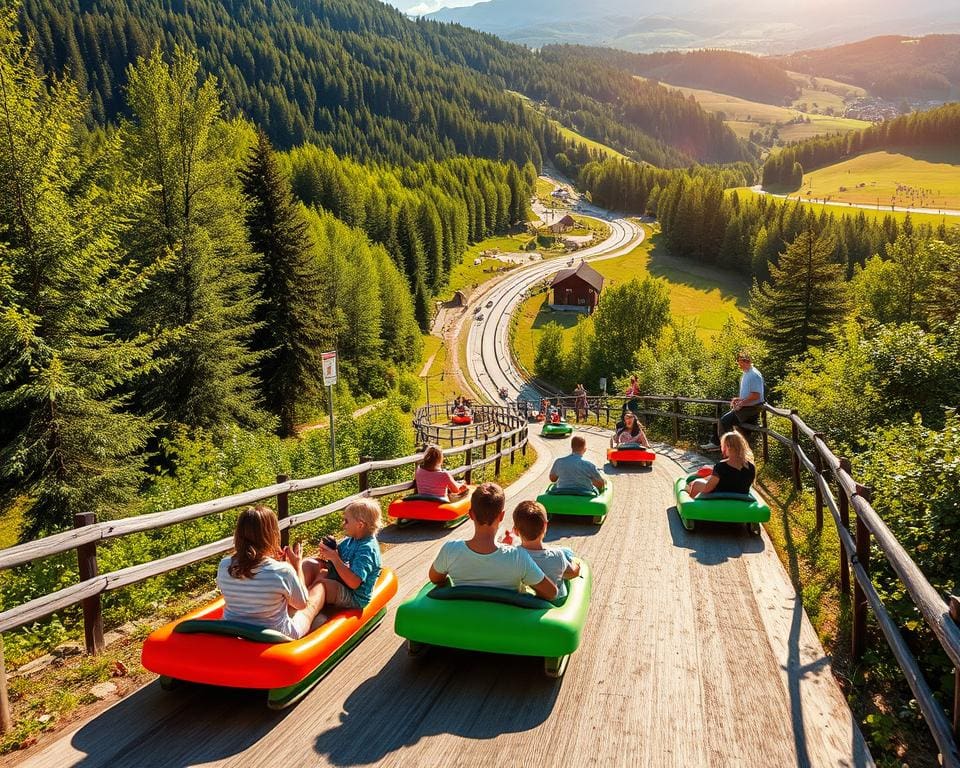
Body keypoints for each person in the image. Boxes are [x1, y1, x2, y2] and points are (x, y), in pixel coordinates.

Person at [429, 483, 557, 600]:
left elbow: (435, 578)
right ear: (501, 516)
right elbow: (551, 593)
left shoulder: (450, 550)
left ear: (471, 515)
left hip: (463, 619)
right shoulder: (518, 557)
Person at [216, 505, 325, 639]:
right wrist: (297, 566)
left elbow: (251, 581)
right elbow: (302, 604)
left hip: (234, 631)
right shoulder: (282, 571)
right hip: (276, 635)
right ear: (272, 534)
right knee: (318, 590)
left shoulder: (224, 565)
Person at [307, 498, 383, 613]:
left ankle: (305, 610)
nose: (343, 524)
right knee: (310, 564)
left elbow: (354, 583)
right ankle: (301, 598)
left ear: (360, 525)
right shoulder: (350, 540)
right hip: (341, 582)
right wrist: (329, 550)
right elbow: (334, 560)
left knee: (323, 584)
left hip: (354, 596)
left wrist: (334, 558)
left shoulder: (367, 549)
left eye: (346, 521)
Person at [512, 500, 580, 600]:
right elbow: (574, 573)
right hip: (551, 604)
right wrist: (576, 564)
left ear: (515, 531)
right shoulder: (557, 555)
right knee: (566, 552)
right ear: (545, 526)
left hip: (525, 602)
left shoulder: (513, 556)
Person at [701, 351, 764, 451]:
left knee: (723, 421)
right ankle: (724, 445)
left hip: (750, 408)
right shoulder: (747, 373)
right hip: (747, 406)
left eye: (740, 362)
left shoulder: (754, 375)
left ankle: (720, 445)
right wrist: (739, 399)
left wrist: (742, 403)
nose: (739, 365)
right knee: (728, 424)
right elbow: (750, 393)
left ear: (745, 361)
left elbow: (756, 395)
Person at [686, 430, 756, 499]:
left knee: (697, 483)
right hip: (741, 495)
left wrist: (696, 484)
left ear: (727, 447)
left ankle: (689, 504)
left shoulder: (721, 466)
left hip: (721, 495)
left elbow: (708, 488)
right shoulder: (751, 466)